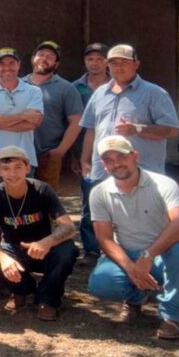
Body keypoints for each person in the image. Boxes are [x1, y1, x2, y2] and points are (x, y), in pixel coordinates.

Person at [87, 136, 179, 340]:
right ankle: (135, 298)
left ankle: (172, 316)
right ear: (103, 165)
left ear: (135, 156)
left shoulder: (164, 184)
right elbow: (105, 239)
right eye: (109, 159)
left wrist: (148, 256)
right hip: (126, 253)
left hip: (162, 253)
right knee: (101, 284)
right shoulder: (99, 193)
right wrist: (131, 267)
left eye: (121, 156)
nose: (117, 163)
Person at [79, 44, 179, 264]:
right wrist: (85, 160)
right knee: (102, 217)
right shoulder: (99, 94)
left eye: (124, 61)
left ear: (136, 64)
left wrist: (139, 129)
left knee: (144, 221)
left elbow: (172, 129)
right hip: (103, 170)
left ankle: (152, 265)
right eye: (114, 62)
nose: (119, 66)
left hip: (142, 174)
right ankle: (112, 263)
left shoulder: (154, 93)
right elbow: (91, 129)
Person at [0, 146, 78, 321]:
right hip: (14, 249)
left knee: (67, 250)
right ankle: (21, 290)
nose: (13, 174)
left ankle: (48, 299)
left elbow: (69, 227)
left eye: (18, 167)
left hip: (43, 249)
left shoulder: (42, 190)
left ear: (28, 168)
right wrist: (4, 259)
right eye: (6, 168)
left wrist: (46, 242)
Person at [23, 41, 82, 189]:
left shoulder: (67, 89)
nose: (44, 58)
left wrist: (60, 151)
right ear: (33, 59)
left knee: (46, 200)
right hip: (20, 153)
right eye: (41, 54)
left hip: (48, 155)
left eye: (50, 56)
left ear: (56, 64)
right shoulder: (18, 84)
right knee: (20, 200)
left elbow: (76, 121)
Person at [71, 43, 110, 263]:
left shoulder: (118, 86)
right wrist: (76, 156)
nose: (94, 63)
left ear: (107, 61)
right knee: (90, 201)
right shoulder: (75, 88)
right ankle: (92, 249)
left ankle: (117, 246)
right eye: (90, 59)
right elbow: (71, 123)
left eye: (99, 58)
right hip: (85, 153)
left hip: (114, 153)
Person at [0, 48, 44, 170]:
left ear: (19, 65)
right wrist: (23, 116)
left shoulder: (34, 91)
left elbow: (33, 123)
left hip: (24, 157)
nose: (7, 67)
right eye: (2, 64)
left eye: (11, 63)